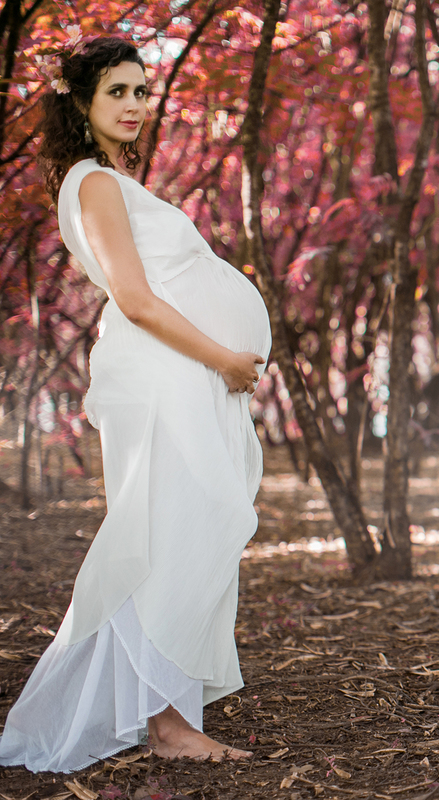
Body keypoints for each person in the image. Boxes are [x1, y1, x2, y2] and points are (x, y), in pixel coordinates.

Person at [0, 35, 270, 771]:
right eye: (117, 91)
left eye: (142, 92)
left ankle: (171, 713)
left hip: (181, 375)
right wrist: (223, 359)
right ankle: (170, 724)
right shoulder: (93, 183)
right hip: (165, 375)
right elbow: (136, 300)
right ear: (82, 103)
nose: (133, 105)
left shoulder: (109, 182)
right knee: (173, 532)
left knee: (187, 529)